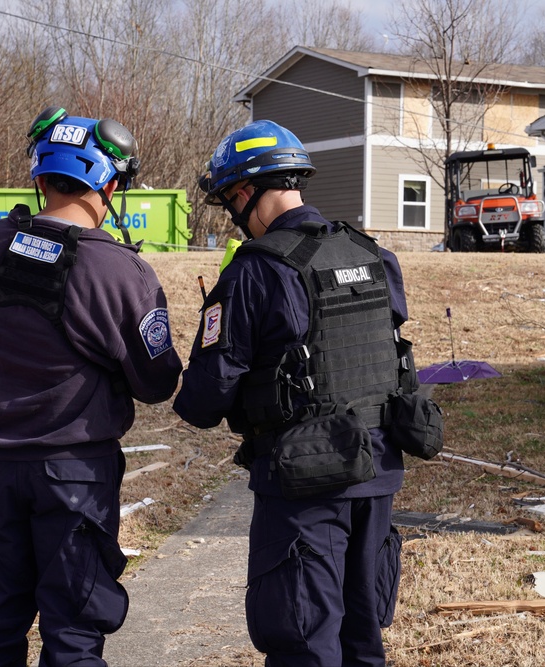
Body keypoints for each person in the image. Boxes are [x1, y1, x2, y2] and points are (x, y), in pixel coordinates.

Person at [173, 120, 420, 667]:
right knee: (362, 636)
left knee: (302, 641)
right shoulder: (373, 254)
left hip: (305, 484)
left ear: (247, 192)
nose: (234, 218)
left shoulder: (255, 271)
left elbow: (206, 397)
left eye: (230, 202)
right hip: (377, 473)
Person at [0, 107, 182, 666]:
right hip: (76, 476)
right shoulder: (122, 271)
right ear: (111, 184)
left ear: (39, 176)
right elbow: (156, 382)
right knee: (73, 634)